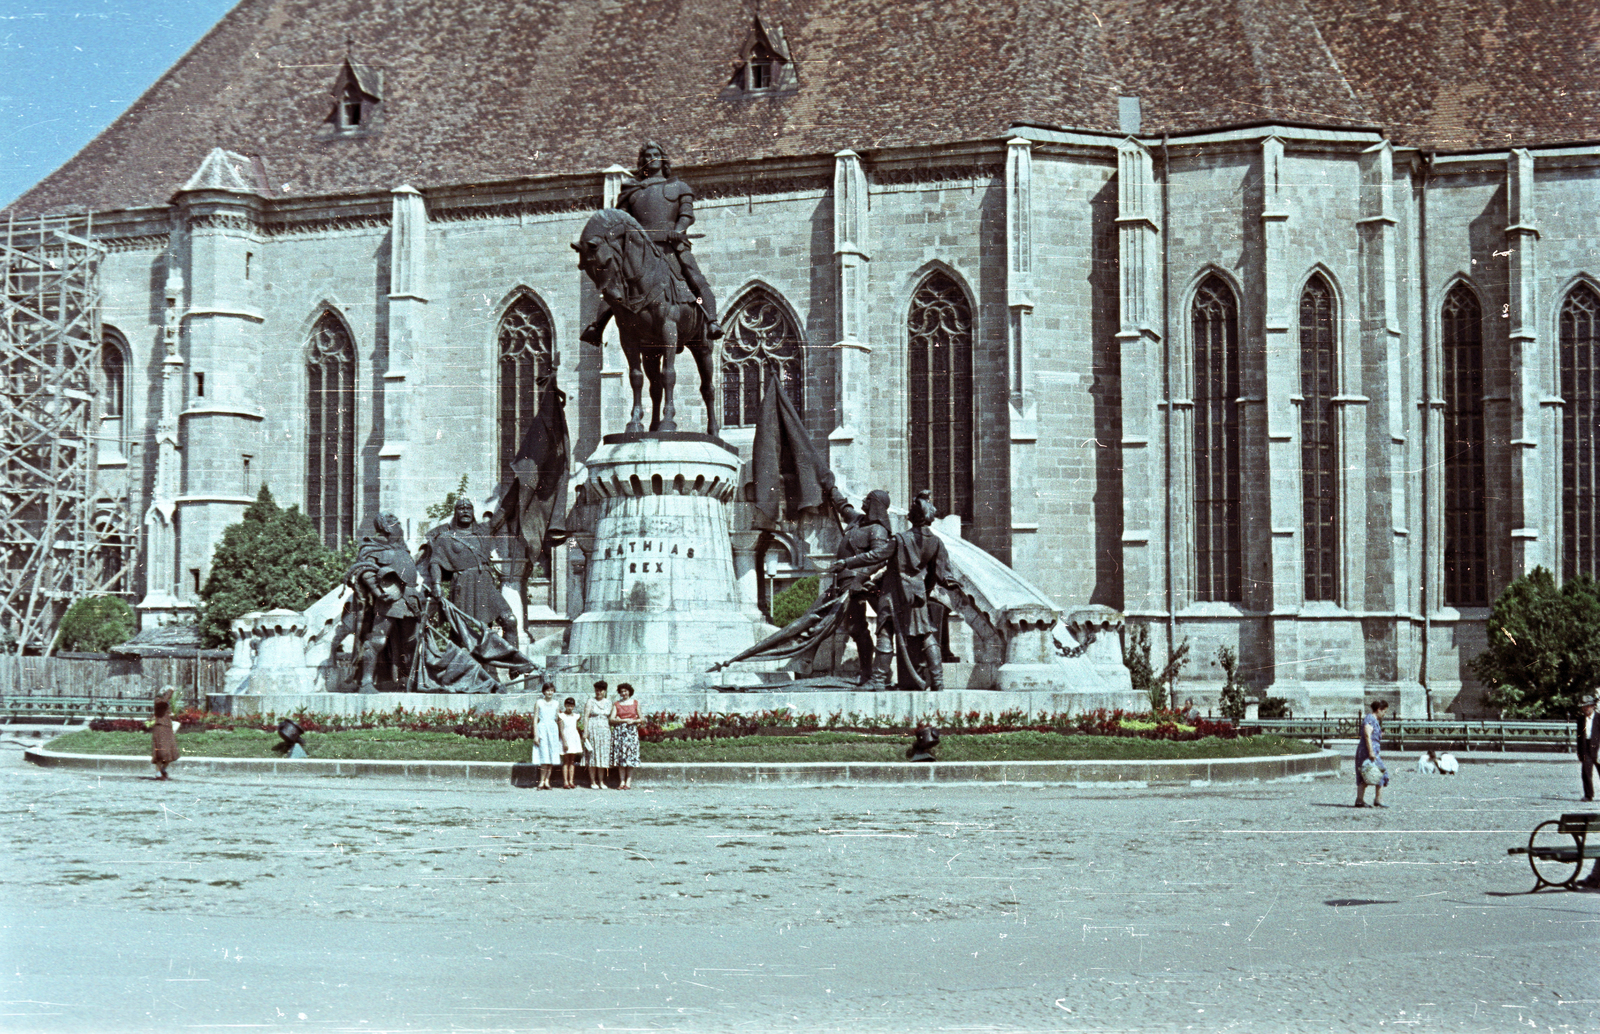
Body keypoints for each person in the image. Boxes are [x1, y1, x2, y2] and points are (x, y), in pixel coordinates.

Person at [837, 489, 959, 691]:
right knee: (927, 634)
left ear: (913, 516)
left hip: (893, 594)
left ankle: (877, 681)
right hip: (917, 595)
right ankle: (938, 681)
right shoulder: (936, 542)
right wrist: (950, 582)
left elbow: (874, 557)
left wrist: (846, 562)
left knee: (885, 633)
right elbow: (943, 573)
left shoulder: (900, 540)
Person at [819, 473, 892, 688]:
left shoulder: (877, 530)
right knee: (854, 627)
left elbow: (879, 559)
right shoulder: (858, 520)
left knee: (862, 627)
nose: (864, 501)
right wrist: (831, 488)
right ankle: (867, 672)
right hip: (844, 583)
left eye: (868, 499)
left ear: (875, 504)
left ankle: (869, 673)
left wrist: (860, 577)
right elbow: (844, 507)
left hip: (859, 585)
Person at [344, 512, 427, 693]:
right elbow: (365, 570)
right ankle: (366, 682)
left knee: (411, 642)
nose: (400, 528)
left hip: (410, 600)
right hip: (390, 600)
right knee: (378, 640)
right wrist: (378, 591)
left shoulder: (402, 550)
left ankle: (408, 681)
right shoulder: (372, 547)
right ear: (387, 528)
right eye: (397, 525)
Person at [418, 497, 519, 644]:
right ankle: (462, 665)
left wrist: (519, 484)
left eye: (469, 508)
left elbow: (503, 511)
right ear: (455, 513)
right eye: (461, 508)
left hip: (485, 585)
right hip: (463, 585)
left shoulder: (484, 531)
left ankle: (515, 666)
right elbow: (435, 562)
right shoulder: (445, 538)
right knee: (461, 632)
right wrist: (437, 585)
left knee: (509, 620)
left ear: (473, 512)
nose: (465, 511)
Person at [1354, 699, 1390, 808]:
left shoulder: (1373, 720)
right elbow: (1367, 735)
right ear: (1379, 709)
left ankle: (1360, 800)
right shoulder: (1370, 719)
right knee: (1380, 772)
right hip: (1368, 752)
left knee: (1365, 773)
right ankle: (1378, 799)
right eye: (1384, 711)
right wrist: (1371, 752)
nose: (1384, 714)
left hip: (1369, 751)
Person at [611, 683, 642, 790]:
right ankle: (622, 781)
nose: (624, 693)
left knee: (630, 757)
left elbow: (642, 719)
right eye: (622, 691)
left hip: (631, 732)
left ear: (629, 691)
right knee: (621, 757)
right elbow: (611, 719)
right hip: (620, 732)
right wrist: (622, 720)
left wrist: (633, 721)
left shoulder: (635, 703)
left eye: (625, 691)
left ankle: (628, 782)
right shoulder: (616, 704)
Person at [583, 681, 614, 789]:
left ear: (605, 691)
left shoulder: (609, 702)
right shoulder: (590, 701)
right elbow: (586, 716)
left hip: (604, 731)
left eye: (601, 690)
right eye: (597, 690)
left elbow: (610, 717)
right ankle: (593, 781)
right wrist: (585, 731)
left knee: (602, 756)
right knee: (593, 756)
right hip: (593, 730)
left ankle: (601, 781)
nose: (599, 692)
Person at [532, 682, 561, 790]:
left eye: (552, 690)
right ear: (544, 691)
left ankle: (547, 781)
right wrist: (536, 734)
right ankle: (541, 781)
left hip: (553, 730)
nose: (550, 692)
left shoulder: (556, 703)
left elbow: (558, 719)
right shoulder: (539, 702)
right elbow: (535, 719)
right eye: (548, 690)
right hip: (542, 729)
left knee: (552, 755)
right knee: (544, 755)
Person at [149, 689, 181, 780]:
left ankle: (163, 769)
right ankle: (158, 772)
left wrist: (169, 714)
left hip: (167, 727)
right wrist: (170, 691)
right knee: (161, 752)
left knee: (171, 751)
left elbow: (164, 707)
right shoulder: (158, 701)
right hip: (160, 727)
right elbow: (164, 701)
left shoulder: (163, 702)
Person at [557, 696, 584, 789]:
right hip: (566, 738)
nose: (570, 708)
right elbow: (561, 730)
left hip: (574, 739)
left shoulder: (576, 716)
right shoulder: (561, 716)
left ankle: (571, 781)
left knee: (572, 761)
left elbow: (576, 727)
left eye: (571, 706)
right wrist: (564, 742)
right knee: (566, 761)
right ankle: (565, 781)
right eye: (568, 705)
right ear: (565, 705)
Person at [1577, 694, 1600, 801]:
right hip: (1586, 747)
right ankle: (1588, 795)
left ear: (1593, 706)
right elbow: (1579, 736)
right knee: (1586, 772)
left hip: (1598, 747)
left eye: (1588, 706)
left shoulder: (1599, 718)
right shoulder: (1581, 719)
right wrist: (1579, 752)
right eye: (1584, 706)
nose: (1586, 708)